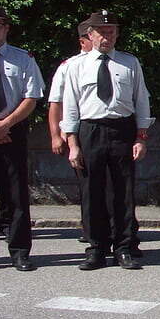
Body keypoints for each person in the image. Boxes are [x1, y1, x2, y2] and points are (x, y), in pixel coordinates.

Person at [62, 10, 152, 270]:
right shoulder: (76, 66)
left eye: (111, 31)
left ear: (117, 34)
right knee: (92, 191)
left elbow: (141, 100)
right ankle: (96, 248)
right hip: (90, 130)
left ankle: (124, 248)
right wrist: (72, 144)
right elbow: (70, 106)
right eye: (101, 32)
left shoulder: (129, 63)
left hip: (122, 129)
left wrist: (141, 137)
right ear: (90, 35)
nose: (106, 36)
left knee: (123, 191)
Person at [0, 4, 44, 273]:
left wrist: (6, 124)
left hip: (12, 131)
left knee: (16, 194)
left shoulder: (23, 58)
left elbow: (32, 97)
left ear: (6, 28)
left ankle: (19, 252)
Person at [46, 19, 94, 246]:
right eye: (91, 37)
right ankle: (91, 229)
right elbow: (56, 103)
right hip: (79, 130)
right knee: (88, 184)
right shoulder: (69, 66)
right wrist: (56, 135)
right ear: (83, 41)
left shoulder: (117, 61)